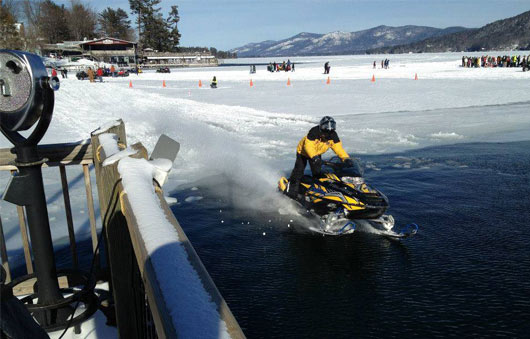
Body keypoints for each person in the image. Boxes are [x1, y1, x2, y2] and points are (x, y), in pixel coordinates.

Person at [286, 116, 353, 198]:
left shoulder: (333, 136)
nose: (328, 131)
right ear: (321, 126)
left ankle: (318, 192)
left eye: (331, 127)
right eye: (326, 127)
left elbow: (338, 148)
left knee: (317, 173)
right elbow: (308, 146)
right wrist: (314, 157)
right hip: (303, 152)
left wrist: (345, 158)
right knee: (298, 171)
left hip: (317, 154)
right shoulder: (314, 132)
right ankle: (291, 192)